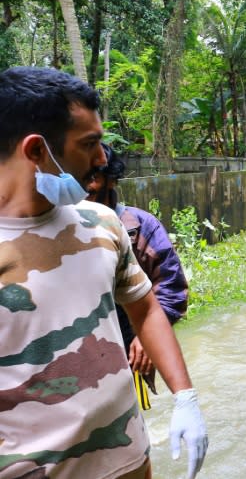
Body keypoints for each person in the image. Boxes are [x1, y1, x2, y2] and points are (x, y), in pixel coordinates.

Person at [0, 66, 207, 479]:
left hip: (129, 459)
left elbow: (146, 309)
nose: (100, 159)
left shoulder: (102, 223)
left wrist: (185, 397)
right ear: (37, 150)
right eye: (90, 144)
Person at [86, 144, 189, 411]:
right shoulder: (60, 228)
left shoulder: (140, 227)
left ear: (112, 180)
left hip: (129, 347)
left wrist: (146, 338)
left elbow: (171, 287)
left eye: (92, 177)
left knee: (129, 422)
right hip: (81, 354)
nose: (84, 186)